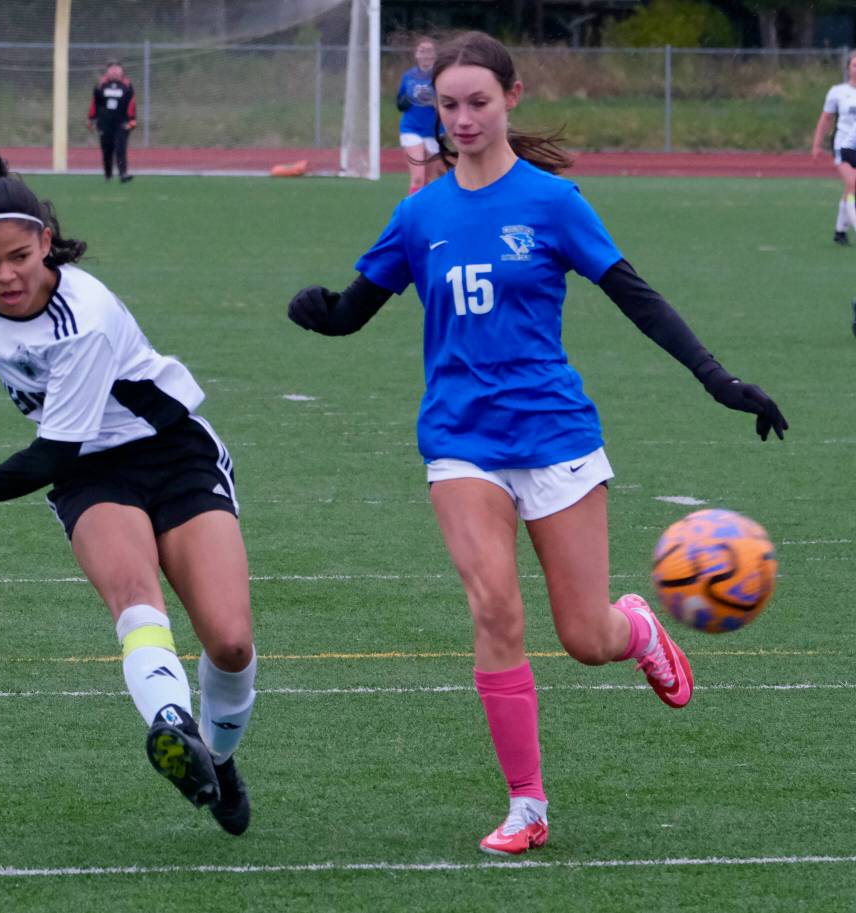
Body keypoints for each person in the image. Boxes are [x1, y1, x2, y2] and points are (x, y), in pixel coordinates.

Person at [288, 31, 787, 857]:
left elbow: (638, 298)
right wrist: (323, 312)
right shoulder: (420, 214)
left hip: (555, 434)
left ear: (512, 97)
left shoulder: (554, 203)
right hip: (460, 442)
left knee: (585, 638)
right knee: (494, 605)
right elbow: (356, 308)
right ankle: (527, 803)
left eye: (478, 101)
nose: (462, 119)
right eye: (447, 106)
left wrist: (719, 379)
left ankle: (637, 628)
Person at [0, 152, 255, 835]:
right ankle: (169, 722)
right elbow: (68, 456)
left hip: (171, 452)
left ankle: (218, 756)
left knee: (231, 643)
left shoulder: (79, 319)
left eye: (20, 257)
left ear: (47, 241)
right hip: (92, 473)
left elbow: (46, 456)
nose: (4, 277)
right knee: (133, 592)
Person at [812, 50, 856, 246]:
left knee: (850, 187)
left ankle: (840, 232)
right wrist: (816, 145)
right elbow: (826, 119)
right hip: (843, 146)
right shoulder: (838, 92)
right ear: (848, 68)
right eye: (855, 65)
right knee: (854, 184)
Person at [396, 37, 445, 195]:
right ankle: (412, 214)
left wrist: (434, 102)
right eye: (422, 51)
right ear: (416, 54)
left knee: (430, 179)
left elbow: (449, 104)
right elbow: (400, 103)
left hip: (434, 131)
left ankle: (426, 212)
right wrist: (409, 99)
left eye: (429, 51)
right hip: (411, 128)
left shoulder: (441, 76)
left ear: (435, 55)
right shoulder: (408, 77)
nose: (426, 55)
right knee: (418, 177)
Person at [88, 60, 136, 183]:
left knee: (120, 148)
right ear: (107, 71)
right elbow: (95, 103)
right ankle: (108, 175)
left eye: (117, 68)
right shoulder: (101, 85)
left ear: (122, 71)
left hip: (121, 123)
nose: (114, 71)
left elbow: (131, 104)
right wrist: (92, 119)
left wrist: (132, 121)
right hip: (104, 123)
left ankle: (123, 174)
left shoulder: (127, 85)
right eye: (112, 69)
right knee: (107, 149)